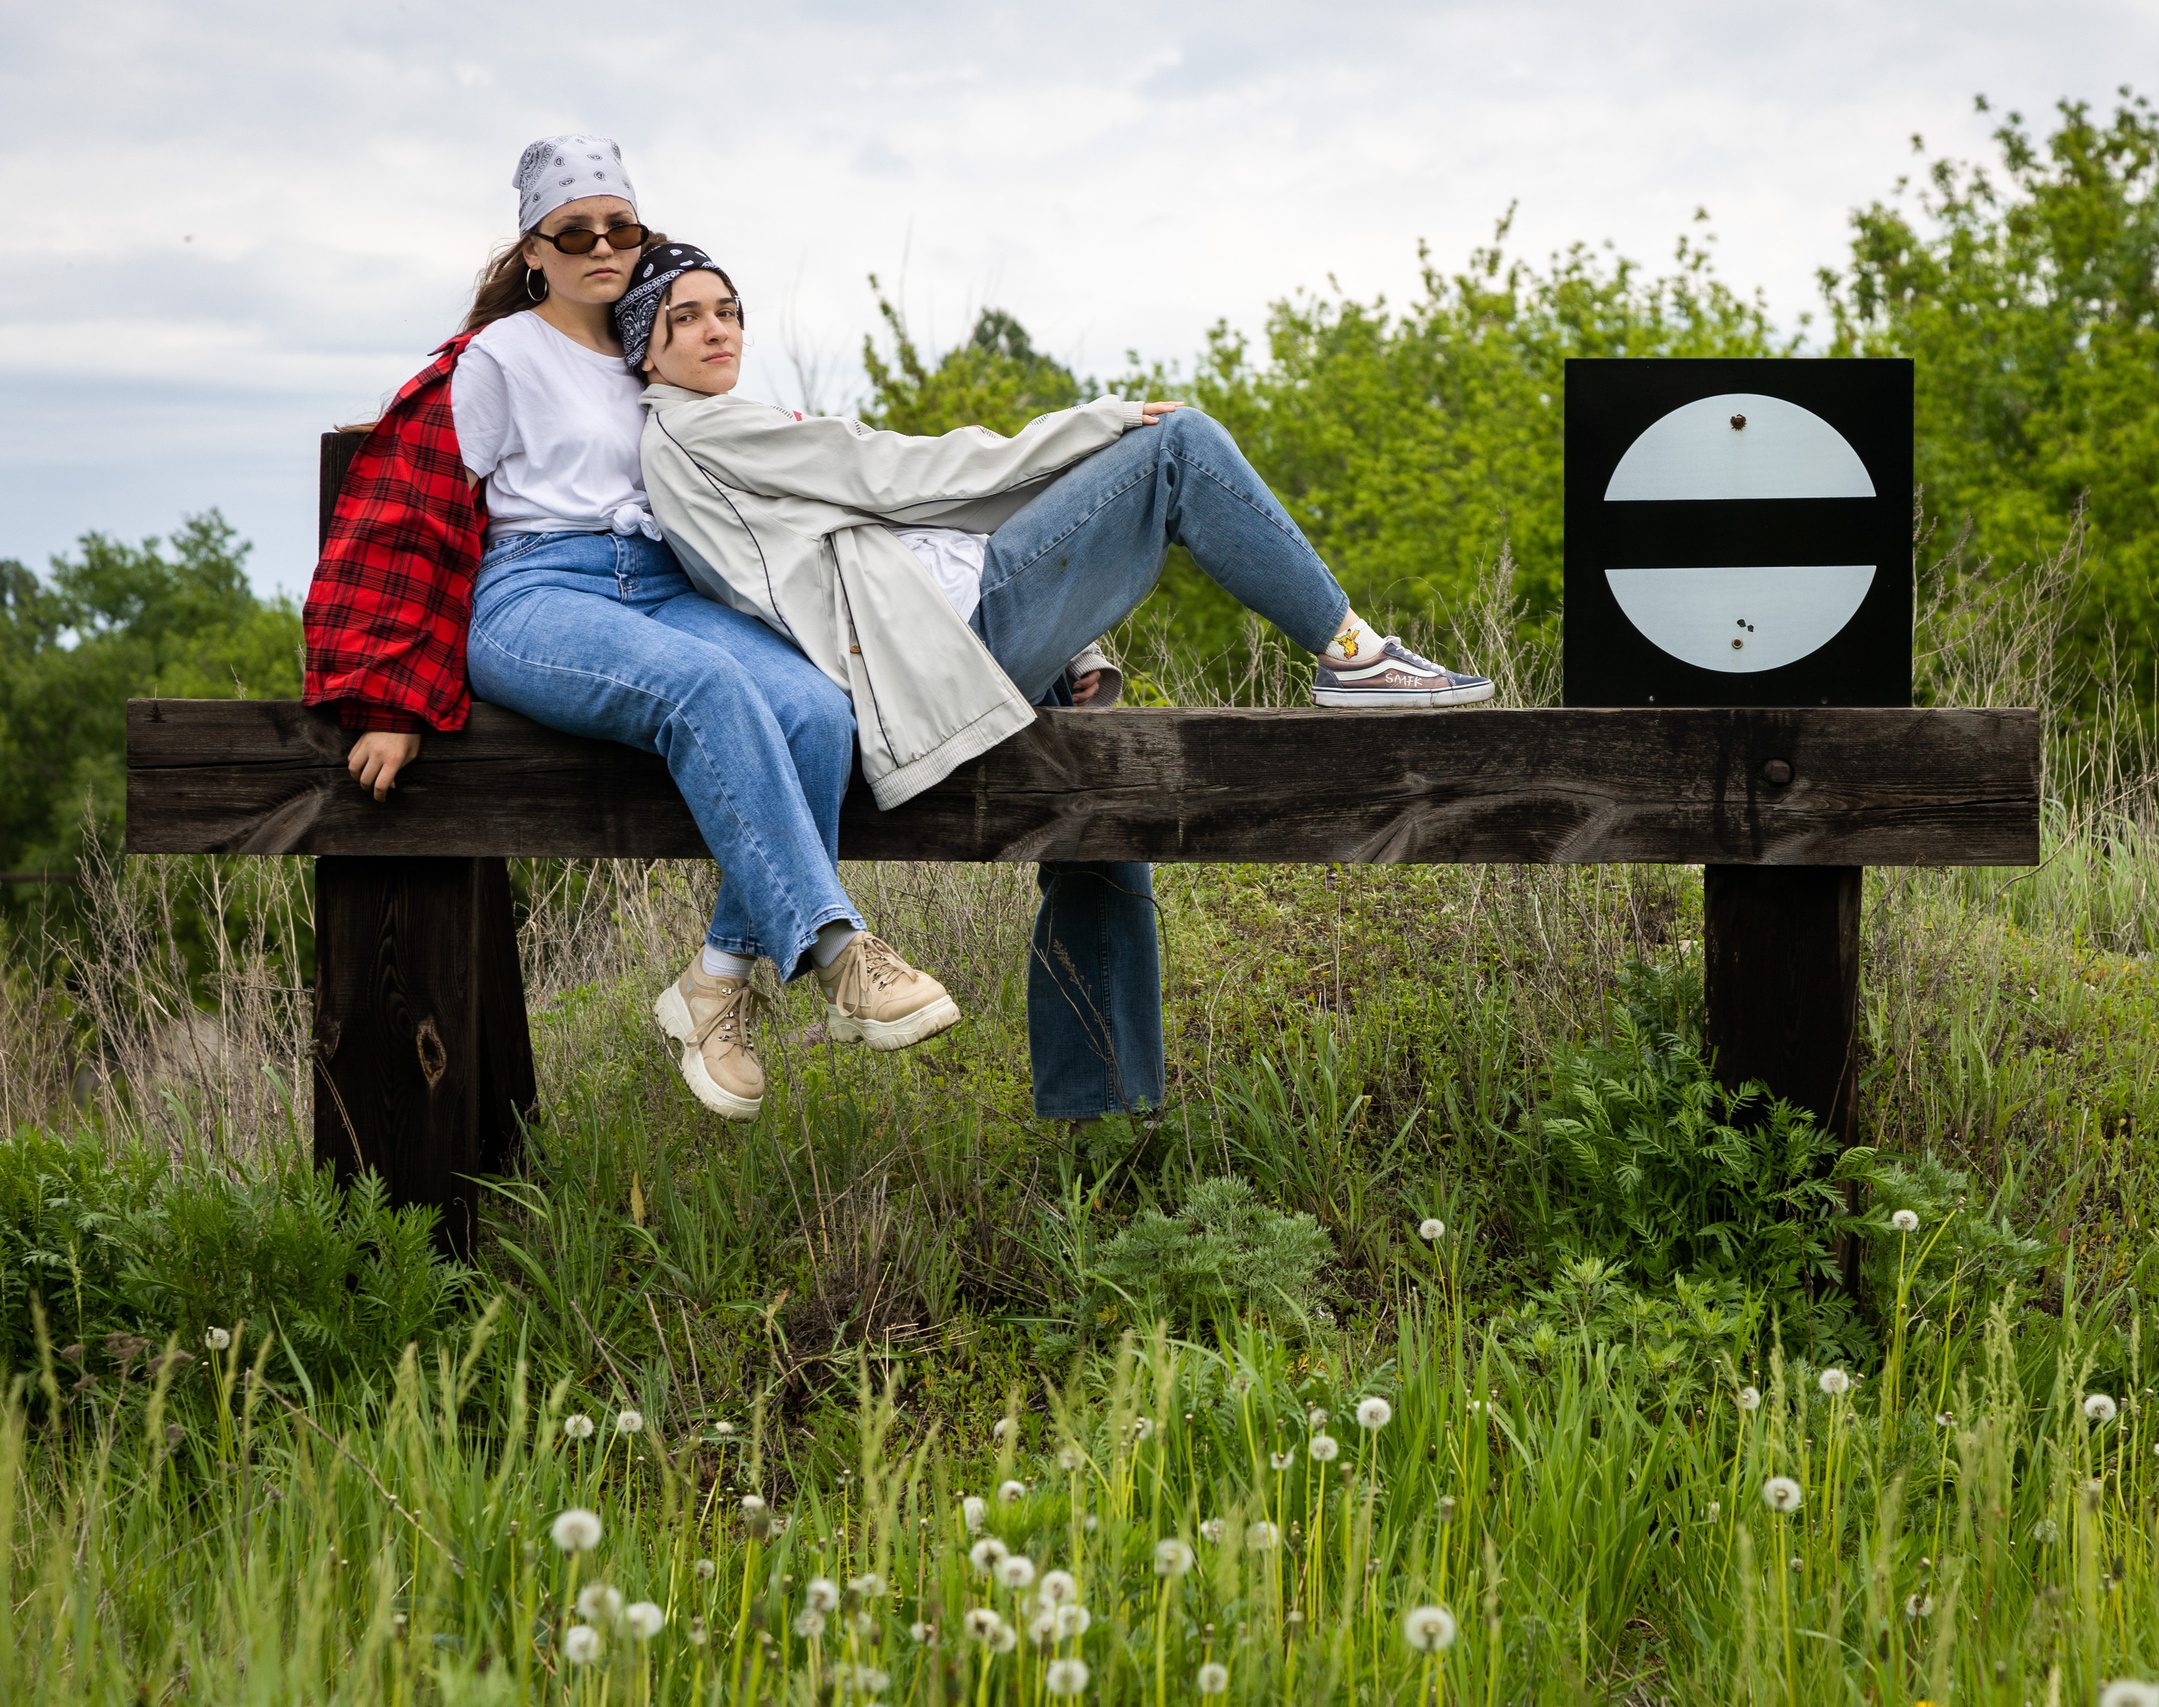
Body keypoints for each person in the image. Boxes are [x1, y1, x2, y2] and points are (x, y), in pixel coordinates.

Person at [613, 246, 1496, 1123]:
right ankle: (1354, 654)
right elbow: (900, 472)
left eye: (726, 310)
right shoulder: (702, 430)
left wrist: (1075, 642)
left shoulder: (721, 432)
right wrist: (1091, 426)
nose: (715, 329)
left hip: (943, 636)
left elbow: (896, 529)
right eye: (683, 318)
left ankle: (1100, 1112)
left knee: (1099, 802)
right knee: (1176, 444)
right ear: (644, 351)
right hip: (942, 651)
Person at [301, 136, 958, 1130]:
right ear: (536, 249)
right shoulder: (496, 359)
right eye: (575, 232)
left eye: (621, 228)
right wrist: (387, 701)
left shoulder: (656, 344)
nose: (601, 247)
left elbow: (788, 473)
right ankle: (836, 952)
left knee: (817, 711)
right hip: (538, 597)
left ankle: (715, 986)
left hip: (660, 587)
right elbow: (410, 517)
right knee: (703, 688)